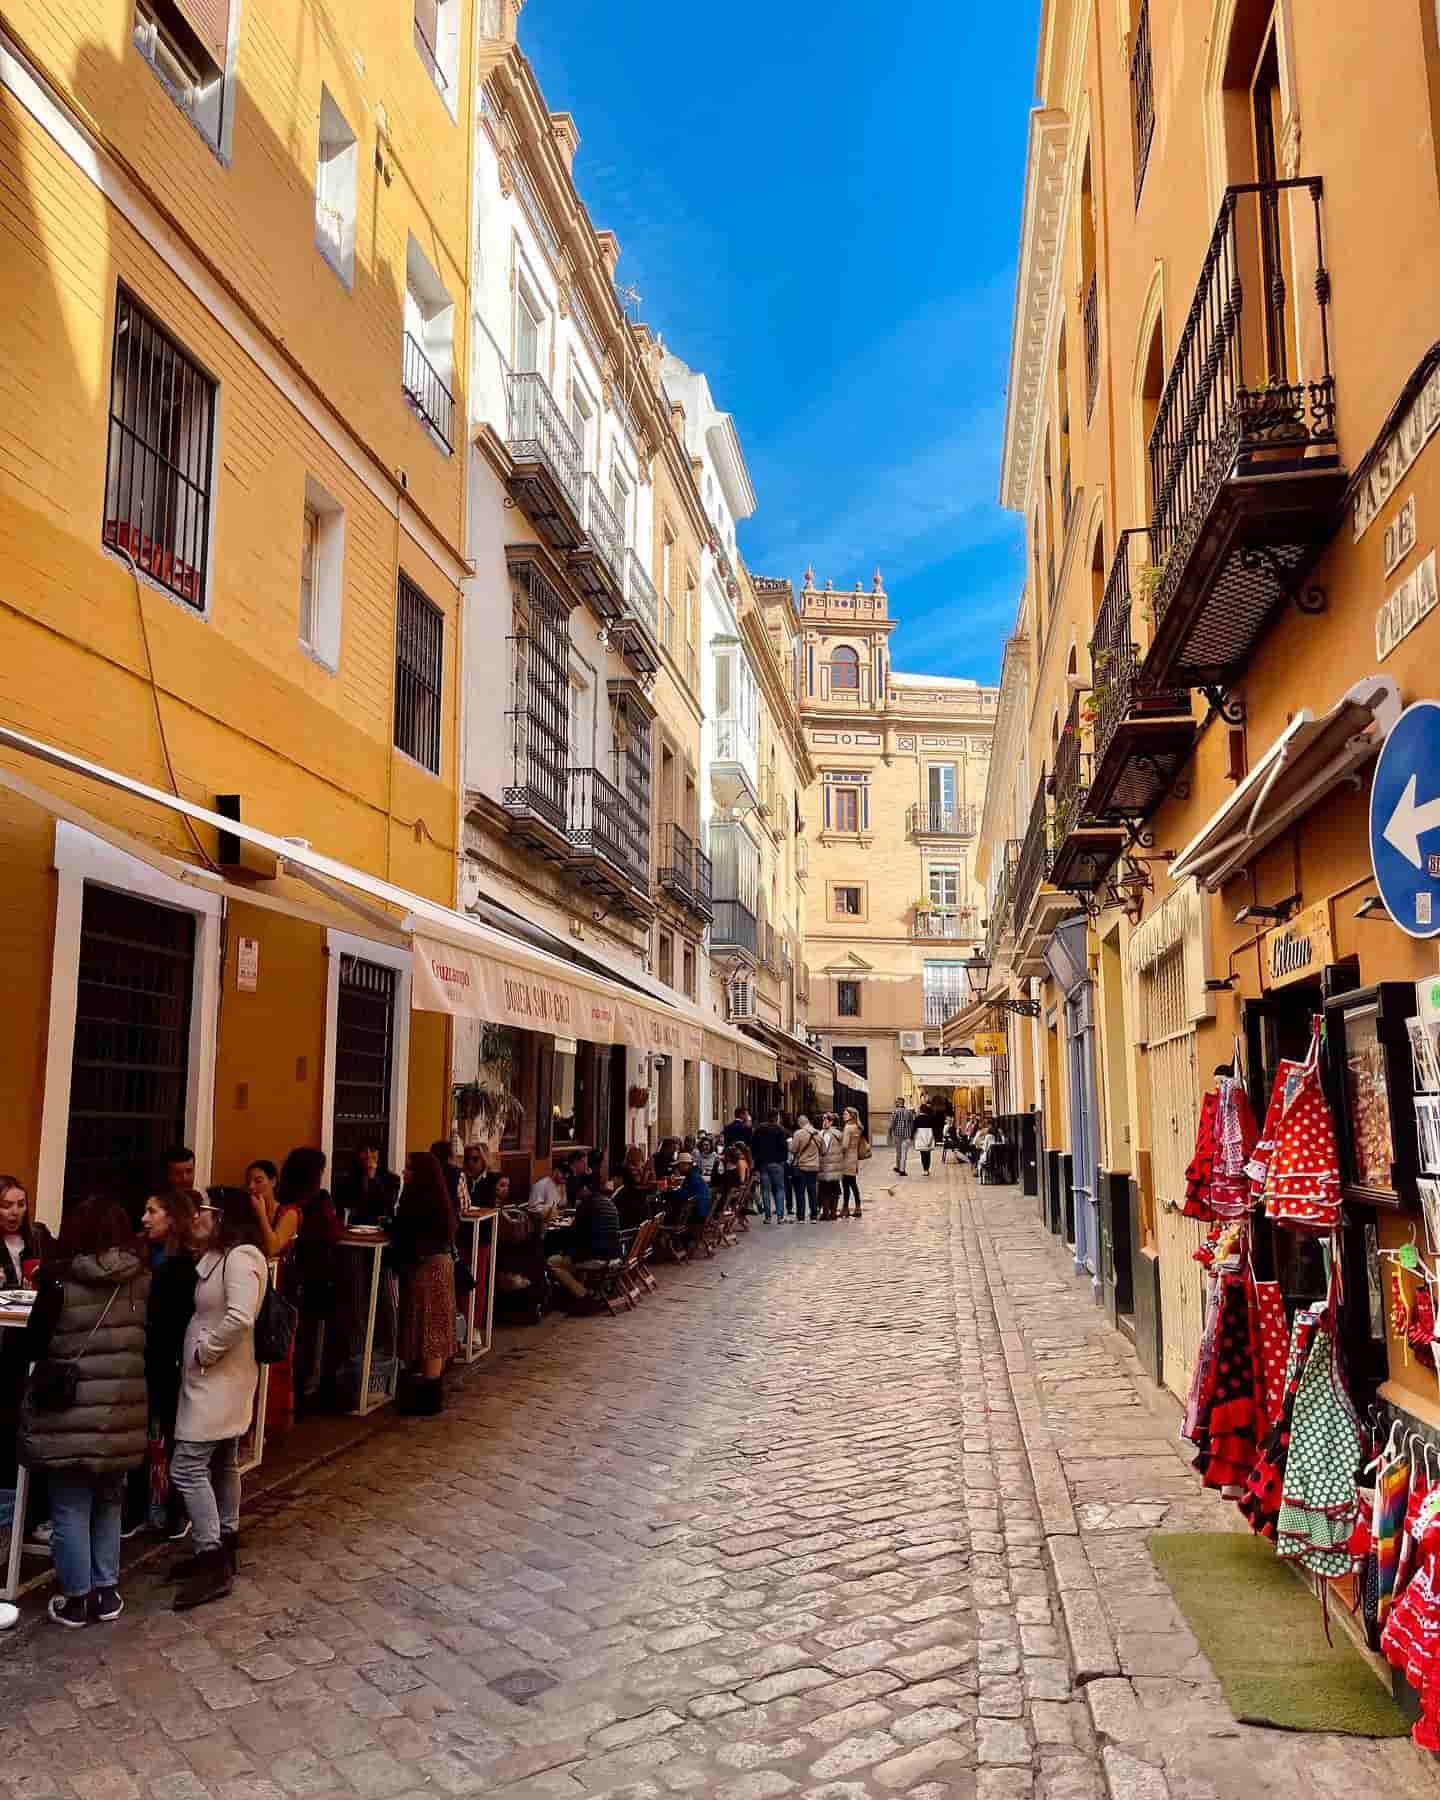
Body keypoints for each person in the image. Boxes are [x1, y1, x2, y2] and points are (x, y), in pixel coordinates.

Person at [21, 1196, 150, 1628]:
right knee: (109, 1502)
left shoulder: (59, 1279)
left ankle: (77, 1599)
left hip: (69, 1412)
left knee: (70, 1506)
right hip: (121, 1410)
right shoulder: (140, 1278)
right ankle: (107, 1593)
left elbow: (35, 1342)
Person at [138, 1188, 198, 1539]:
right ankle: (150, 1506)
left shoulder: (183, 1266)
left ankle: (175, 1508)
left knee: (175, 1435)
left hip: (172, 1361)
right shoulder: (146, 1255)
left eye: (152, 1211)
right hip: (150, 1359)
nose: (144, 1218)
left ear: (172, 1219)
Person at [0, 1176, 52, 1556]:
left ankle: (30, 1516)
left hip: (31, 1351)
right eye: (5, 1205)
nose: (14, 1211)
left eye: (19, 1203)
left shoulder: (39, 1239)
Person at [392, 1151, 457, 1415]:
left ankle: (429, 1396)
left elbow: (403, 1233)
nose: (404, 1173)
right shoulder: (439, 1201)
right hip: (440, 1266)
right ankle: (432, 1391)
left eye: (408, 1169)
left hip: (428, 1268)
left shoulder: (418, 1202)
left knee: (430, 1328)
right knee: (435, 1328)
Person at [285, 1148, 343, 1414]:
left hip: (294, 1274)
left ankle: (294, 1391)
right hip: (317, 1273)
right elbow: (332, 1232)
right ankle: (307, 1390)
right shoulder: (319, 1200)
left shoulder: (284, 1198)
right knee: (311, 1335)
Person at [246, 1159, 301, 1436]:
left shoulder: (288, 1213)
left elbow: (272, 1246)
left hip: (282, 1292)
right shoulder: (249, 1212)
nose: (253, 1187)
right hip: (257, 1290)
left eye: (259, 1180)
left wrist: (260, 1216)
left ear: (273, 1181)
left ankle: (274, 1422)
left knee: (278, 1356)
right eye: (250, 1181)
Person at [546, 1177, 622, 1306]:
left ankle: (583, 1295)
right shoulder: (609, 1203)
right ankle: (584, 1291)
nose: (578, 1193)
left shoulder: (587, 1205)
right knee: (572, 1257)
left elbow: (575, 1233)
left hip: (597, 1258)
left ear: (585, 1189)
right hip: (614, 1255)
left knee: (551, 1262)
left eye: (580, 1190)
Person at [335, 1143, 400, 1226]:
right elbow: (345, 1204)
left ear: (379, 1154)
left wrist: (372, 1178)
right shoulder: (349, 1177)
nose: (368, 1155)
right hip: (355, 1227)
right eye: (364, 1151)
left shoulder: (392, 1179)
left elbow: (387, 1205)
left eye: (372, 1151)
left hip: (382, 1228)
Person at [751, 1110, 789, 1223]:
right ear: (776, 1117)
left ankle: (768, 1217)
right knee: (779, 1189)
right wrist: (783, 1160)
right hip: (777, 1164)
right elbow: (784, 1148)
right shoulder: (780, 1130)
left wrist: (757, 1162)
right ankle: (780, 1217)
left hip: (763, 1164)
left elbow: (754, 1146)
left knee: (765, 1190)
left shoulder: (759, 1129)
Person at [788, 1114, 821, 1221]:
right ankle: (814, 1216)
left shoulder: (798, 1133)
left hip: (801, 1167)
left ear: (800, 1123)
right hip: (814, 1167)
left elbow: (792, 1149)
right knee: (813, 1191)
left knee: (800, 1192)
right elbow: (824, 1150)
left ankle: (801, 1217)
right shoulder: (818, 1134)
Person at [816, 1115, 845, 1220]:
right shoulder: (839, 1133)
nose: (824, 1122)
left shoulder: (825, 1134)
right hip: (836, 1167)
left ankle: (826, 1213)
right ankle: (833, 1213)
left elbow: (823, 1150)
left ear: (831, 1122)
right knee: (835, 1189)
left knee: (825, 1191)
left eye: (826, 1120)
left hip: (826, 1166)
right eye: (823, 1119)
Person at [839, 1107, 864, 1219]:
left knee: (846, 1185)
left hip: (847, 1158)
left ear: (851, 1116)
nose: (843, 1115)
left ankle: (845, 1208)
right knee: (853, 1184)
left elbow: (844, 1145)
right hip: (854, 1157)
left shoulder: (848, 1127)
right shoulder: (858, 1127)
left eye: (845, 1114)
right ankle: (857, 1207)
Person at [890, 1098, 914, 1177]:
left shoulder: (895, 1111)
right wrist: (911, 1133)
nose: (895, 1103)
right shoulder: (909, 1112)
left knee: (898, 1152)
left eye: (896, 1102)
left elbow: (893, 1123)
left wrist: (890, 1131)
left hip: (897, 1134)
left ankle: (898, 1167)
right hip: (907, 1135)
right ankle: (902, 1170)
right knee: (904, 1153)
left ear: (899, 1103)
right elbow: (911, 1123)